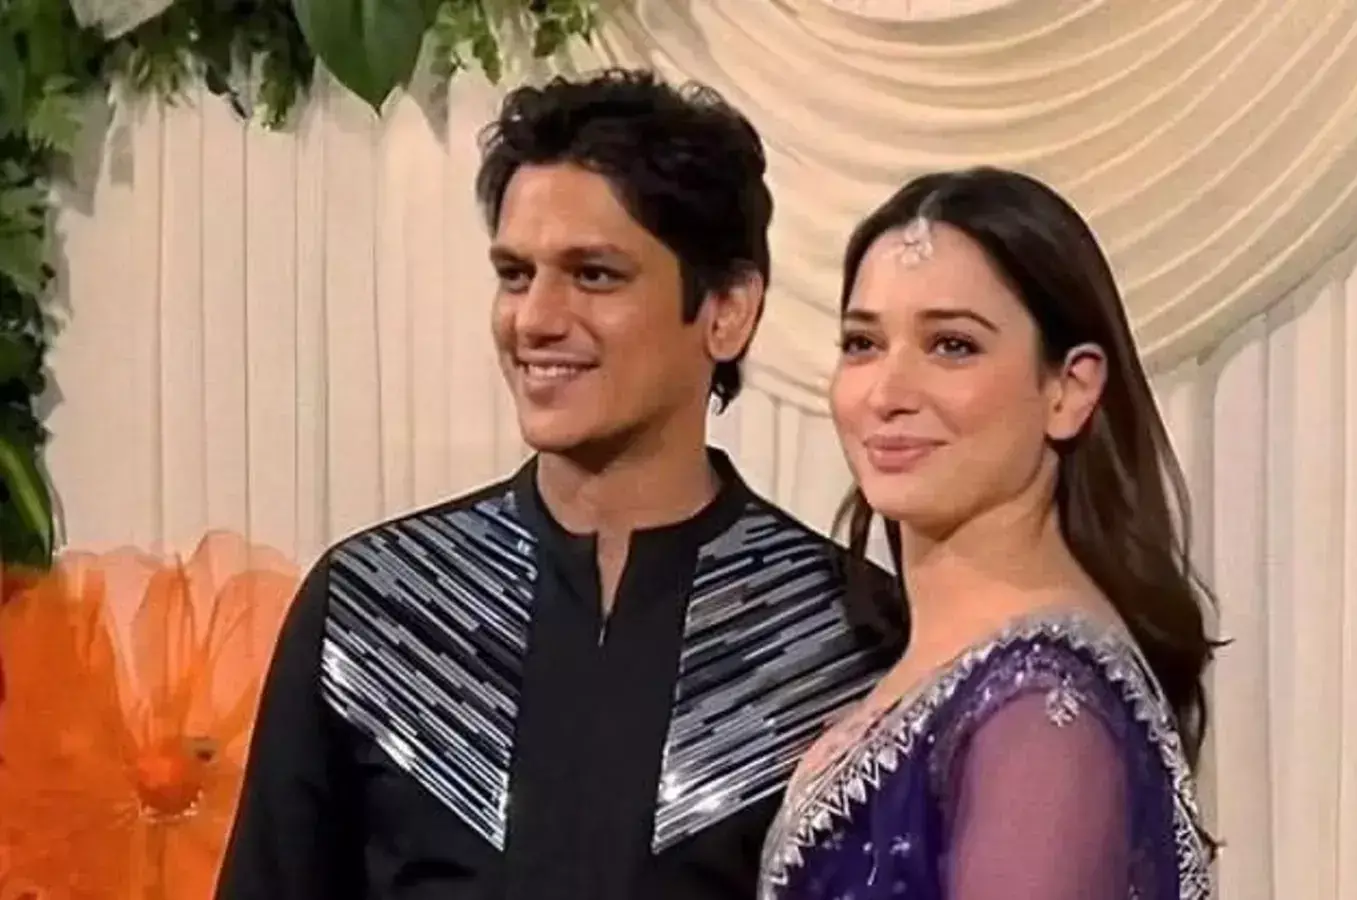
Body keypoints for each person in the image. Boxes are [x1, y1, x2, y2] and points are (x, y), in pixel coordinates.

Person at [215, 69, 899, 900]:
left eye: (595, 275)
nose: (535, 319)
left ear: (727, 310)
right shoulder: (374, 604)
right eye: (515, 274)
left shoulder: (848, 636)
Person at [757, 168, 1218, 899]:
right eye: (863, 343)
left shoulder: (1040, 712)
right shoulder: (968, 674)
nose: (887, 393)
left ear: (1068, 389)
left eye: (952, 345)